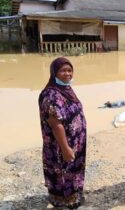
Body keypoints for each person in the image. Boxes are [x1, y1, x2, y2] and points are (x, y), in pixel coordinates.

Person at [38, 57, 86, 209]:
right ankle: (65, 201)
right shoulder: (51, 94)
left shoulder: (66, 89)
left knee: (73, 170)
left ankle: (74, 194)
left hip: (74, 142)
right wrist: (65, 148)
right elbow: (55, 124)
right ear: (54, 73)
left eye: (70, 70)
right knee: (62, 172)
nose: (67, 74)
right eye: (63, 70)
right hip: (60, 145)